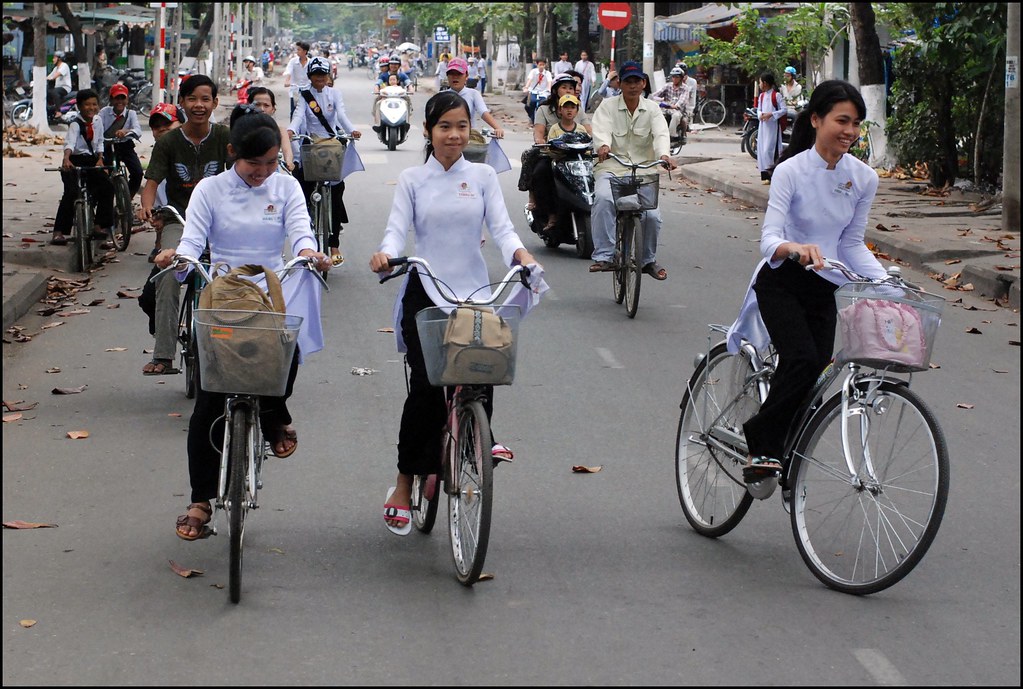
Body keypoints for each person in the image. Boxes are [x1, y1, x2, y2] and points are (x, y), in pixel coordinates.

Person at [368, 91, 541, 535]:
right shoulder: (412, 180)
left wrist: (520, 253)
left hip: (473, 290)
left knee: (485, 365)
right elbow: (395, 232)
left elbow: (502, 229)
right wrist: (386, 255)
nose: (454, 135)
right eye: (444, 126)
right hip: (426, 288)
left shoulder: (482, 176)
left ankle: (478, 437)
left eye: (462, 126)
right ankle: (404, 483)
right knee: (426, 388)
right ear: (428, 131)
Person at [155, 108, 332, 541]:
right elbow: (195, 238)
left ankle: (273, 416)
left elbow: (301, 231)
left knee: (282, 366)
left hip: (272, 293)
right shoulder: (210, 191)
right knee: (210, 401)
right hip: (224, 295)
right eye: (255, 164)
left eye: (271, 163)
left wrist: (309, 252)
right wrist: (179, 255)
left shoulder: (286, 186)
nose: (263, 172)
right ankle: (200, 499)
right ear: (233, 153)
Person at [725, 80, 888, 481]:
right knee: (800, 360)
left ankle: (785, 454)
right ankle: (762, 443)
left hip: (824, 287)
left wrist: (887, 284)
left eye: (856, 123)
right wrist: (794, 248)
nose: (849, 131)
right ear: (816, 120)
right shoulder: (789, 171)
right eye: (842, 120)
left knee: (817, 376)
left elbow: (851, 244)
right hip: (782, 281)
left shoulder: (864, 178)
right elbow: (769, 240)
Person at [138, 75, 231, 376]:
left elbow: (245, 176)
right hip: (179, 220)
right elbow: (151, 183)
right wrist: (147, 206)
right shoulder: (168, 142)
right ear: (183, 103)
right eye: (192, 99)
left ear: (215, 103)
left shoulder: (225, 138)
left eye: (205, 99)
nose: (199, 105)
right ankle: (164, 355)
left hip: (221, 223)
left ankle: (235, 348)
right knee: (167, 271)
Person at [589, 61, 676, 279]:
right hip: (611, 169)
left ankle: (647, 261)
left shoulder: (653, 109)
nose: (633, 86)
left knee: (652, 217)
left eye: (637, 81)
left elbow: (661, 135)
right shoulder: (607, 107)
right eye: (628, 81)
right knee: (603, 199)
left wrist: (664, 155)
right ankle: (604, 255)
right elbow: (601, 131)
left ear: (644, 83)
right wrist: (603, 146)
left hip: (644, 171)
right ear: (620, 84)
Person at [287, 56, 362, 264]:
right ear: (310, 77)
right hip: (310, 146)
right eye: (316, 75)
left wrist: (351, 130)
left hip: (331, 145)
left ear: (328, 76)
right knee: (301, 187)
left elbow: (342, 115)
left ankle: (334, 243)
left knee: (337, 192)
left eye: (323, 74)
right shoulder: (304, 95)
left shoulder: (335, 94)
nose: (319, 78)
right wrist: (292, 129)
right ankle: (305, 234)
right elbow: (299, 116)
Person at [50, 89, 115, 248]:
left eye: (94, 104)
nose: (91, 108)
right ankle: (59, 231)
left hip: (92, 160)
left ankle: (100, 225)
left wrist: (100, 158)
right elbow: (69, 143)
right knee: (71, 193)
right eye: (87, 105)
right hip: (73, 160)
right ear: (79, 106)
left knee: (107, 187)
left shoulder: (98, 121)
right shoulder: (75, 123)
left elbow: (99, 141)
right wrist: (66, 159)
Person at [524, 72, 593, 213]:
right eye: (564, 87)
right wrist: (540, 140)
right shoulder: (543, 109)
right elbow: (539, 132)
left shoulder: (578, 109)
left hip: (577, 156)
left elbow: (589, 132)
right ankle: (545, 210)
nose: (568, 90)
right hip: (553, 154)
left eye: (571, 88)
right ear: (555, 90)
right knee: (540, 172)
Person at [537, 93, 584, 232]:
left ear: (577, 110)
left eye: (573, 107)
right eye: (566, 107)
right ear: (559, 110)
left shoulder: (581, 129)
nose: (569, 110)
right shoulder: (554, 129)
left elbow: (587, 146)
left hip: (577, 165)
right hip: (560, 164)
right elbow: (551, 148)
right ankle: (552, 215)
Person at [97, 83, 143, 197]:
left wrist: (126, 131)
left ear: (127, 99)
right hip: (107, 147)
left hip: (125, 145)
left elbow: (138, 130)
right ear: (111, 100)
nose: (120, 101)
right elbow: (98, 129)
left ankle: (129, 197)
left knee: (138, 172)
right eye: (117, 98)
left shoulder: (131, 114)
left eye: (123, 98)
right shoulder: (104, 112)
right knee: (106, 175)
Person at [443, 57, 503, 137]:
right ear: (447, 76)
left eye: (459, 74)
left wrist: (497, 128)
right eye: (452, 74)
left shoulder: (473, 94)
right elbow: (433, 116)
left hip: (469, 137)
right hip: (447, 137)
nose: (455, 77)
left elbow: (483, 112)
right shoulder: (441, 96)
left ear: (466, 75)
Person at [246, 86, 295, 171]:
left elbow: (287, 151)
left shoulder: (280, 131)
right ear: (249, 106)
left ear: (273, 109)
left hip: (271, 173)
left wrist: (289, 162)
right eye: (257, 105)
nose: (262, 109)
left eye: (266, 105)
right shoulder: (242, 129)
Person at [755, 72, 786, 182]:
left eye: (760, 82)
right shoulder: (762, 96)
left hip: (772, 126)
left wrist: (771, 114)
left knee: (770, 149)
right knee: (762, 149)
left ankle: (772, 173)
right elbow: (758, 109)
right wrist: (760, 115)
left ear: (765, 83)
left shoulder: (776, 95)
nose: (759, 85)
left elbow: (783, 110)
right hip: (763, 126)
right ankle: (765, 174)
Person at [372, 56, 411, 130]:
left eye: (396, 64)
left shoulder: (402, 75)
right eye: (392, 64)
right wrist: (377, 90)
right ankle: (377, 123)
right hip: (385, 96)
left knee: (408, 101)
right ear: (389, 65)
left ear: (399, 65)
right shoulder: (384, 75)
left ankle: (407, 122)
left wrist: (410, 90)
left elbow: (408, 83)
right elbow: (377, 84)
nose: (393, 66)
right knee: (377, 102)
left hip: (400, 96)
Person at [650, 66, 689, 141]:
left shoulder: (685, 88)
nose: (674, 79)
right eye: (673, 77)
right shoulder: (668, 86)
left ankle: (672, 135)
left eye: (676, 77)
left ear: (681, 78)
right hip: (666, 109)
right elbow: (655, 95)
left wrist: (675, 106)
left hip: (678, 110)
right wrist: (657, 100)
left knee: (676, 116)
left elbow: (682, 100)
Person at [283, 41, 311, 118]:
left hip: (308, 90)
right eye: (297, 49)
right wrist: (287, 81)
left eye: (299, 50)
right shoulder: (293, 61)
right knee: (294, 111)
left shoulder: (310, 63)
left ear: (305, 51)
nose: (297, 51)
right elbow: (289, 71)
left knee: (310, 111)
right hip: (295, 90)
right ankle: (293, 129)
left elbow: (313, 75)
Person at [522, 57, 553, 124]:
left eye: (543, 65)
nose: (541, 66)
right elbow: (529, 80)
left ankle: (540, 121)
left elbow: (549, 82)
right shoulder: (533, 72)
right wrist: (526, 87)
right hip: (533, 91)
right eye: (540, 65)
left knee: (542, 106)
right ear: (537, 64)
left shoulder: (547, 73)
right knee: (529, 105)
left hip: (543, 92)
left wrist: (549, 90)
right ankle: (532, 118)